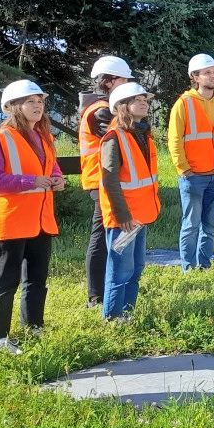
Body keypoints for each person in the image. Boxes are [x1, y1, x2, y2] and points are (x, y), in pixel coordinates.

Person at [0, 80, 64, 353]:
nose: (38, 106)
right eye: (31, 101)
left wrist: (58, 180)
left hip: (40, 221)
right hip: (11, 222)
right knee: (5, 281)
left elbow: (53, 169)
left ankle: (33, 327)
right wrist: (31, 182)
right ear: (14, 107)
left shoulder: (44, 137)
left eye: (40, 101)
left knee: (37, 279)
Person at [168, 53, 214, 272]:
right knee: (190, 226)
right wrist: (183, 169)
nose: (213, 75)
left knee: (210, 225)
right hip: (193, 176)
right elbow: (174, 139)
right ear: (195, 77)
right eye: (207, 72)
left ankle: (204, 266)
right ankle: (188, 268)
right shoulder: (183, 104)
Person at [99, 83, 160, 320]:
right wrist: (122, 216)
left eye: (145, 98)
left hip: (140, 215)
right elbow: (109, 181)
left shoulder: (141, 134)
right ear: (121, 106)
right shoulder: (114, 138)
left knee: (135, 268)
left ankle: (127, 314)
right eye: (137, 99)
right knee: (120, 270)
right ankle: (113, 317)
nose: (144, 102)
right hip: (124, 220)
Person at [78, 55, 133, 308]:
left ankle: (104, 290)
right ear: (109, 81)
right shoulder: (101, 110)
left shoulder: (104, 107)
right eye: (123, 79)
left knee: (111, 233)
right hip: (102, 181)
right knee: (101, 237)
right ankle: (96, 295)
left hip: (107, 180)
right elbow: (120, 141)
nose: (126, 84)